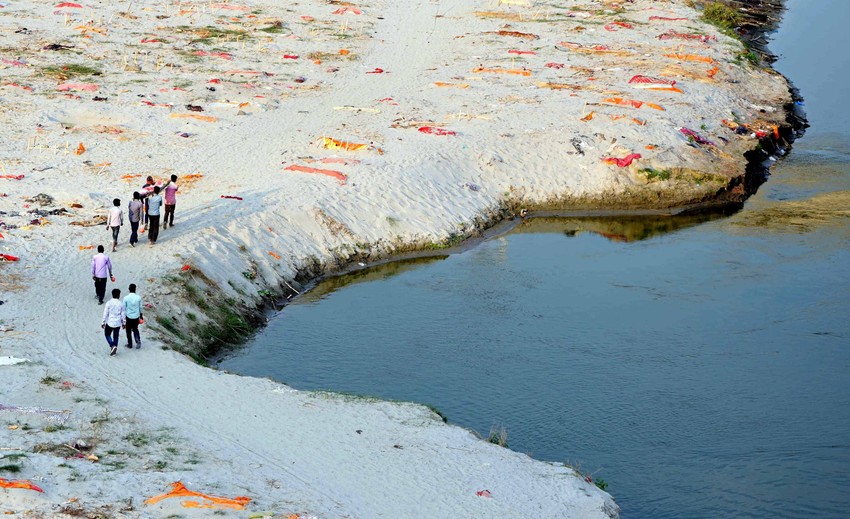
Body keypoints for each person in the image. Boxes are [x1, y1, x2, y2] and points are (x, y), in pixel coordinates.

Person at [101, 288, 125, 356]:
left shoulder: (109, 303)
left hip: (110, 322)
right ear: (119, 295)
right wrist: (124, 323)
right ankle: (114, 348)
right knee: (116, 336)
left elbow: (105, 313)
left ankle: (112, 345)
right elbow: (123, 314)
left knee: (107, 334)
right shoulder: (121, 303)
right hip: (117, 323)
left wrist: (103, 322)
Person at [122, 283, 143, 349]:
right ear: (135, 289)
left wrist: (123, 318)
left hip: (129, 316)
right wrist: (141, 315)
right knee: (135, 329)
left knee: (128, 331)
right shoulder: (138, 298)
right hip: (136, 316)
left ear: (129, 289)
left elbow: (124, 308)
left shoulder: (126, 298)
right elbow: (140, 307)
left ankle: (130, 344)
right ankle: (138, 340)